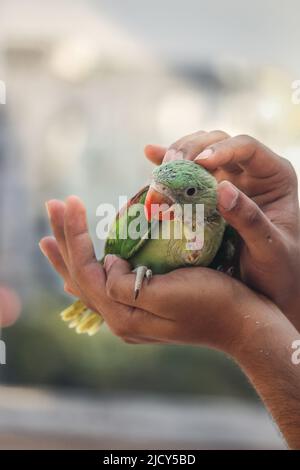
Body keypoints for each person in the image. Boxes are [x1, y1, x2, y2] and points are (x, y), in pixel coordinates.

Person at [39, 131, 300, 449]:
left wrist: (245, 325)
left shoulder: (225, 230)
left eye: (187, 193)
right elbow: (116, 256)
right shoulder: (144, 216)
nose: (157, 200)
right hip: (136, 269)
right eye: (156, 190)